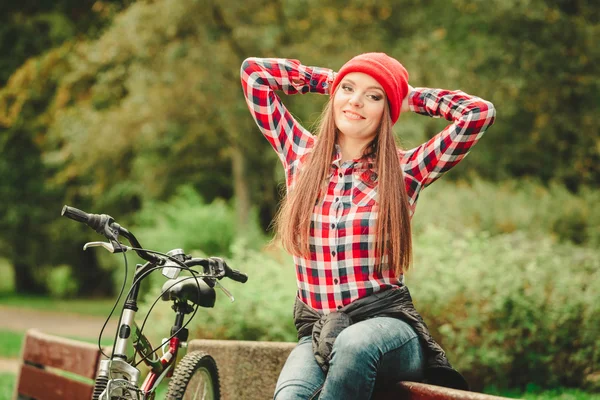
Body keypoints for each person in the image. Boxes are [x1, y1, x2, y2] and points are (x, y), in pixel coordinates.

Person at [240, 53, 496, 400]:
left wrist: (409, 97)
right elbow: (255, 74)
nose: (356, 101)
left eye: (374, 96)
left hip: (388, 330)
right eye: (348, 89)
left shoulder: (406, 171)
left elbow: (478, 114)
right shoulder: (300, 154)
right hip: (318, 330)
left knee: (354, 343)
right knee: (290, 395)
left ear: (387, 111)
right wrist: (330, 81)